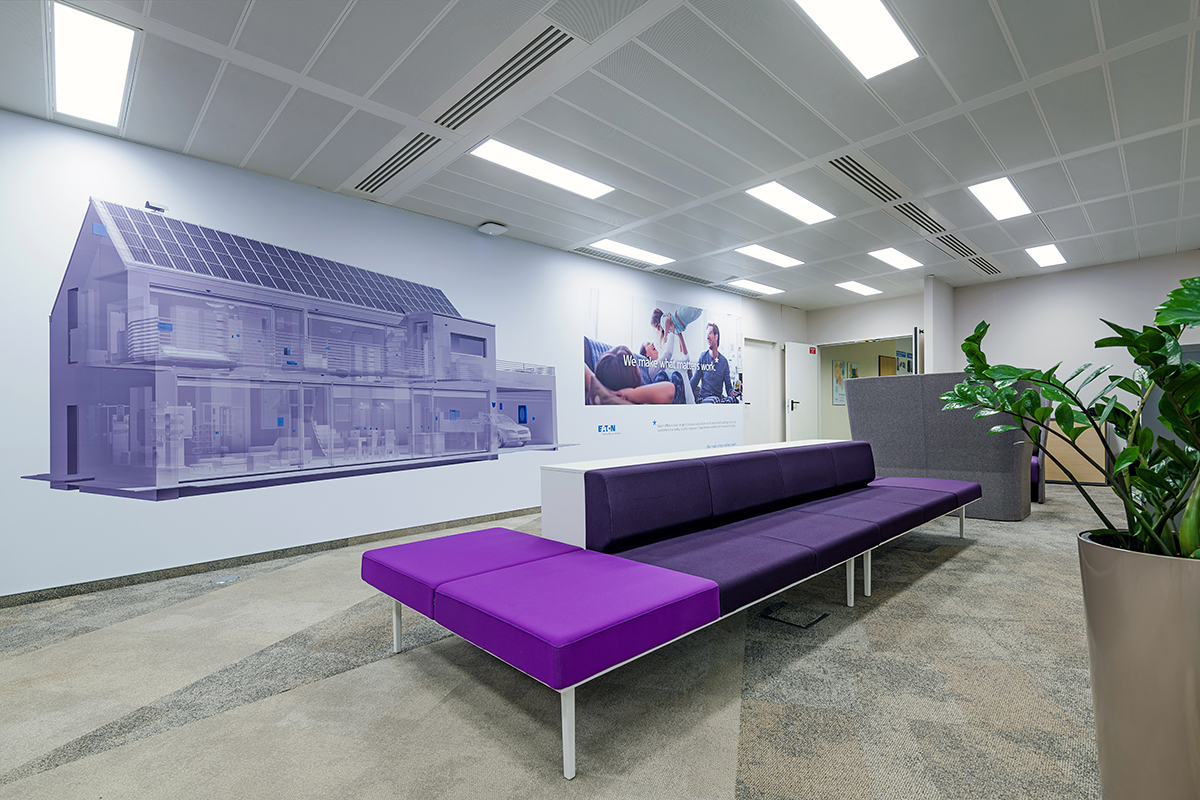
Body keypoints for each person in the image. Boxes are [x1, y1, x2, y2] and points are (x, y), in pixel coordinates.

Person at [591, 345, 683, 404]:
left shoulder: (594, 395)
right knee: (669, 375)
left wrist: (602, 389)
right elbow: (669, 389)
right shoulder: (638, 404)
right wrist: (631, 393)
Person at [690, 323, 738, 403]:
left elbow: (728, 388)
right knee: (714, 400)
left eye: (709, 333)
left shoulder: (724, 362)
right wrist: (684, 393)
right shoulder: (703, 357)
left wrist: (733, 393)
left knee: (734, 400)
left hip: (718, 399)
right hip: (704, 398)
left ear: (716, 336)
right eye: (706, 334)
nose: (707, 337)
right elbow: (694, 381)